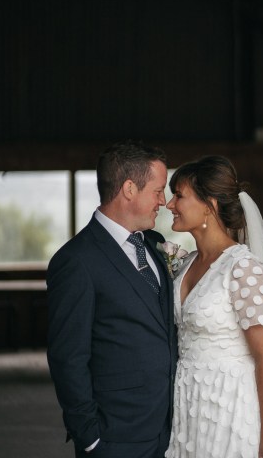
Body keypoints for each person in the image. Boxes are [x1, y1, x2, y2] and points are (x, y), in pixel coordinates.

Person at [164, 155, 263, 458]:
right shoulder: (187, 263)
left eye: (179, 195)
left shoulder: (244, 269)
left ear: (210, 204)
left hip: (233, 408)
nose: (170, 204)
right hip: (190, 403)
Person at [47, 141, 177, 458]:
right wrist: (90, 437)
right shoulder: (76, 261)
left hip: (169, 431)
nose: (164, 201)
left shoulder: (155, 244)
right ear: (130, 189)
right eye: (158, 190)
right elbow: (68, 357)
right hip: (114, 437)